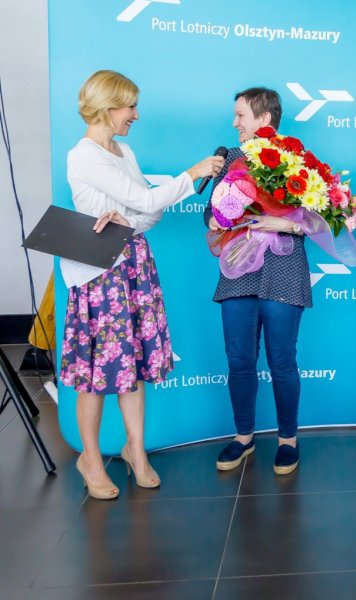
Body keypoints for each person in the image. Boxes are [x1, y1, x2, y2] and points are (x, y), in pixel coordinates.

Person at [60, 70, 224, 499]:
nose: (135, 114)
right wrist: (193, 173)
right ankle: (90, 458)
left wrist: (126, 221)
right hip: (100, 275)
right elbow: (149, 200)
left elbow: (150, 214)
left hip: (134, 265)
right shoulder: (84, 156)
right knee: (97, 372)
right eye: (130, 106)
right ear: (107, 106)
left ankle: (135, 449)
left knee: (133, 366)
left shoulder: (124, 151)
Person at [204, 87, 312, 476]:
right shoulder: (230, 160)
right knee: (238, 359)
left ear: (264, 119)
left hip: (284, 268)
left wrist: (284, 223)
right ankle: (244, 436)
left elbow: (320, 217)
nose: (234, 123)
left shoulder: (298, 160)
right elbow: (209, 212)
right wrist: (215, 218)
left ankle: (288, 440)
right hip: (238, 270)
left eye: (241, 115)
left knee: (282, 359)